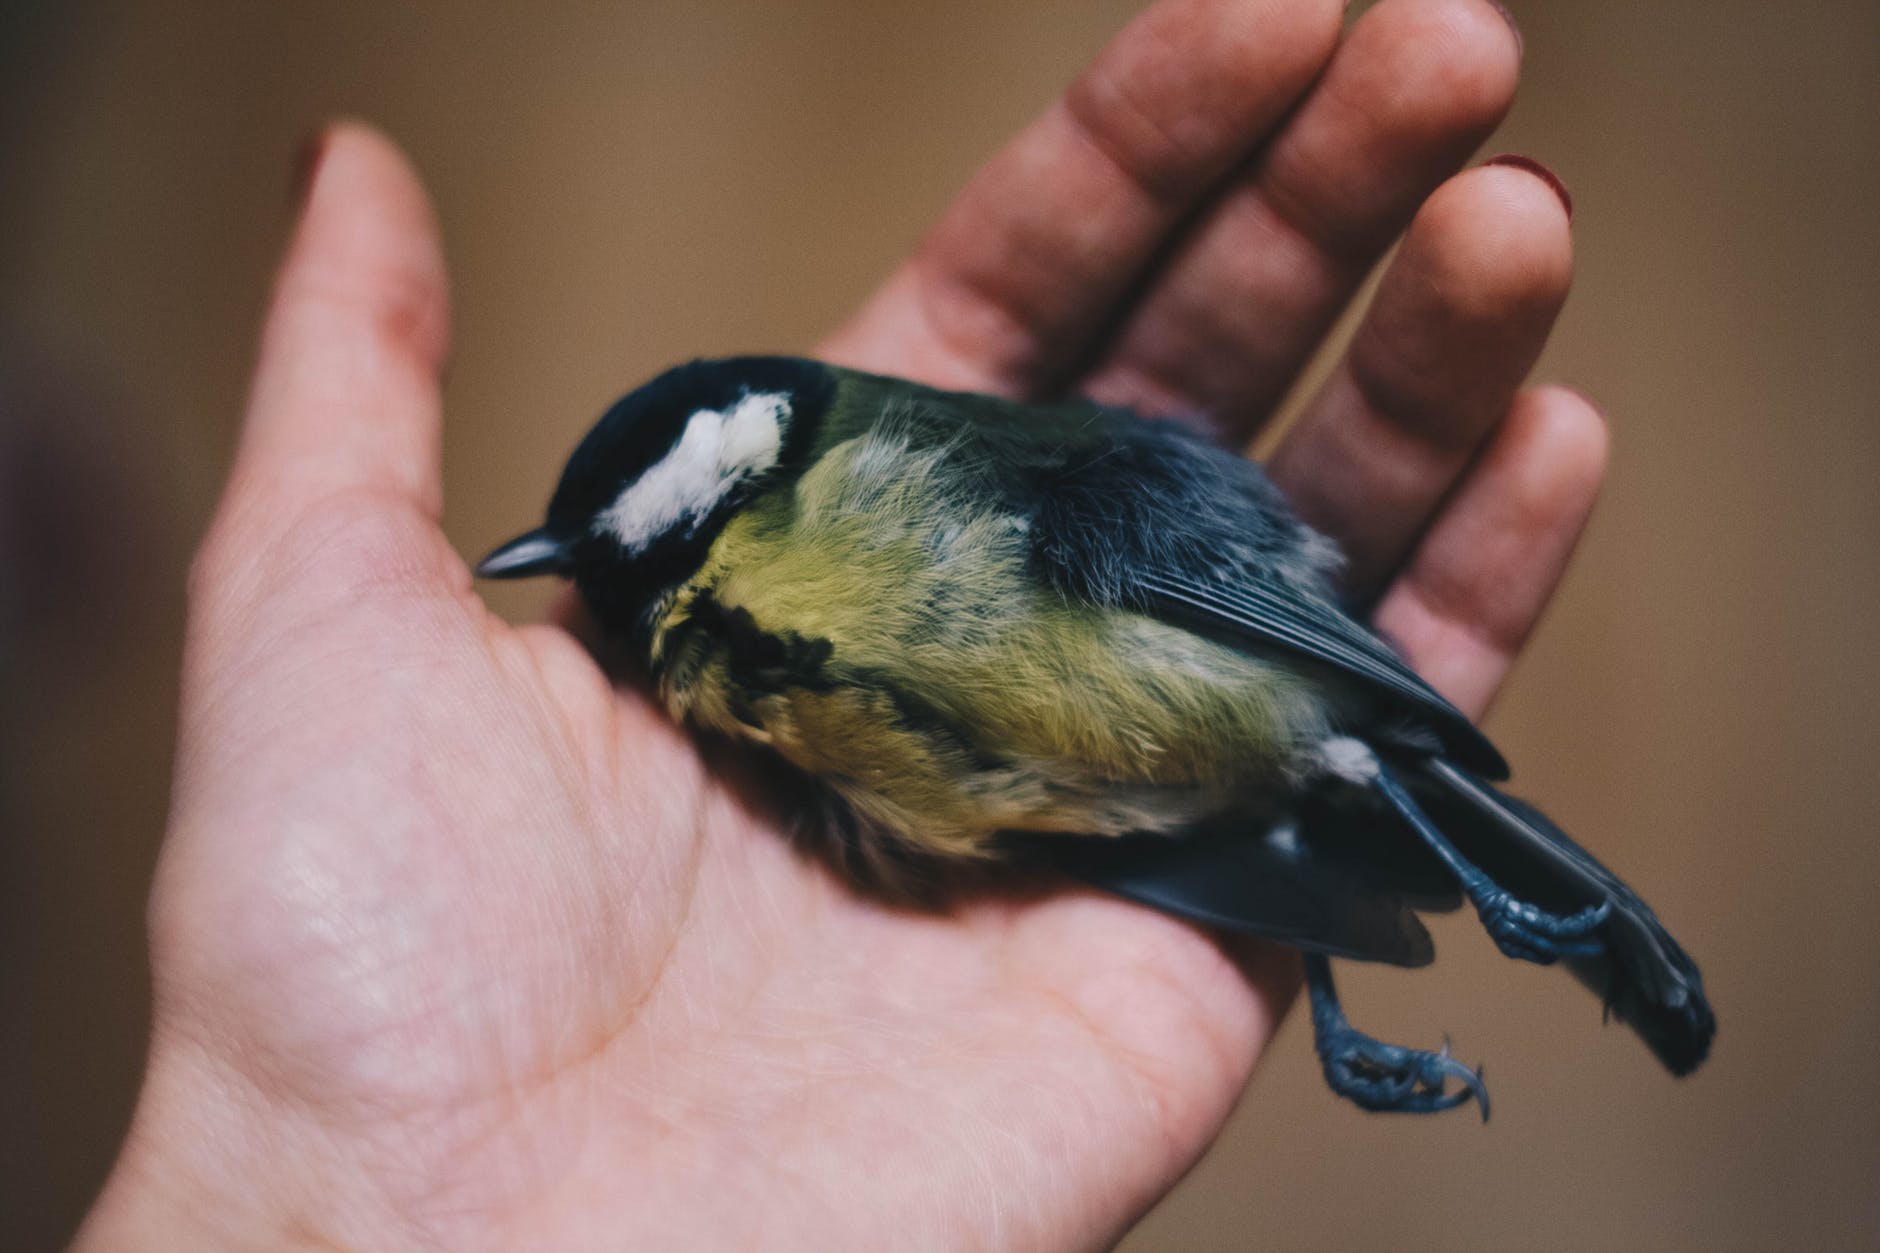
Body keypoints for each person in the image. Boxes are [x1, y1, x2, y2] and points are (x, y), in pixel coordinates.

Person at [76, 0, 1598, 1246]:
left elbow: (1161, 582)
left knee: (1321, 753)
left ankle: (1433, 841)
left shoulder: (849, 492)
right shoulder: (726, 658)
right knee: (1282, 807)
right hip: (1110, 793)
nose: (612, 601)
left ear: (715, 503)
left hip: (1189, 636)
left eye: (623, 564)